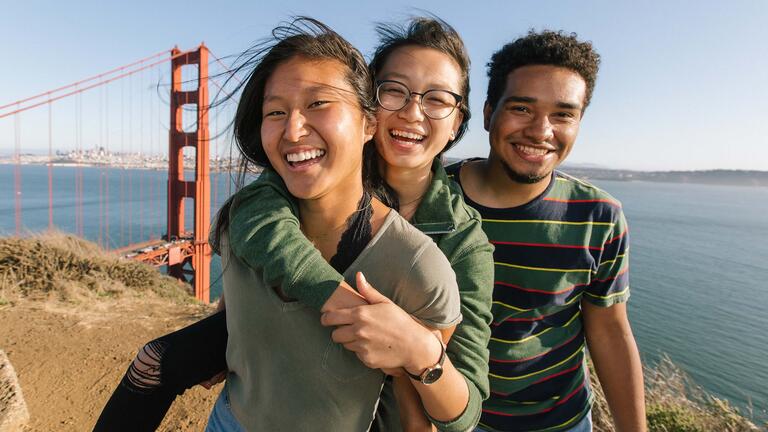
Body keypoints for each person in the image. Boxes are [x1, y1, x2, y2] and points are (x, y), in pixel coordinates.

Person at [94, 17, 494, 432]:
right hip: (269, 376)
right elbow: (250, 213)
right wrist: (335, 303)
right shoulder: (302, 175)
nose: (412, 112)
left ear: (457, 121)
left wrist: (419, 353)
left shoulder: (458, 245)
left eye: (437, 100)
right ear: (371, 106)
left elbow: (460, 412)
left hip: (363, 408)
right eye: (394, 90)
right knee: (153, 363)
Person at [446, 30, 646, 431]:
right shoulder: (432, 201)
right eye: (521, 108)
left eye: (563, 114)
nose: (541, 131)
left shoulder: (598, 216)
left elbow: (608, 332)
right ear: (488, 113)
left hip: (563, 421)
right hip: (452, 419)